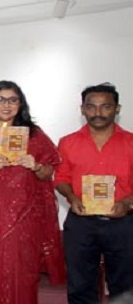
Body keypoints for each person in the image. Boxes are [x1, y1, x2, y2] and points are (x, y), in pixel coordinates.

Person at [0, 80, 65, 304]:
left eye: (13, 100)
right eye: (0, 99)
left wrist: (36, 166)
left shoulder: (34, 135)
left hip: (25, 217)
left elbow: (49, 173)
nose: (6, 105)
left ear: (20, 104)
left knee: (24, 273)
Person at [54, 83, 133, 304]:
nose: (98, 112)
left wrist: (127, 202)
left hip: (123, 223)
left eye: (105, 106)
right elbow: (60, 179)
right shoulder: (68, 142)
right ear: (82, 109)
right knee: (79, 285)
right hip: (81, 223)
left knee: (125, 287)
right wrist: (71, 198)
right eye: (91, 106)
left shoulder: (131, 142)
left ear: (117, 108)